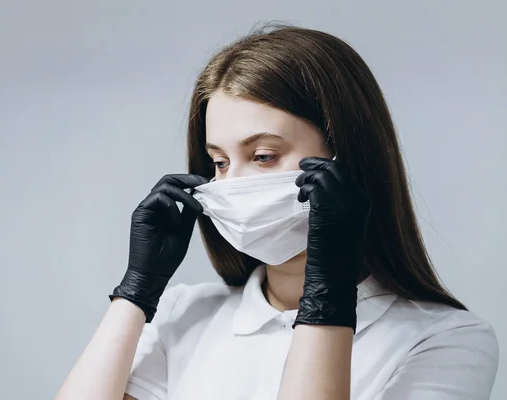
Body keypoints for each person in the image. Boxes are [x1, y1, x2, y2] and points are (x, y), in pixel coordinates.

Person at [54, 24, 499, 400]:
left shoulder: (447, 340)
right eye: (219, 163)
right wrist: (135, 293)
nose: (233, 185)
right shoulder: (182, 313)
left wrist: (327, 292)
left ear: (346, 159)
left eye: (264, 156)